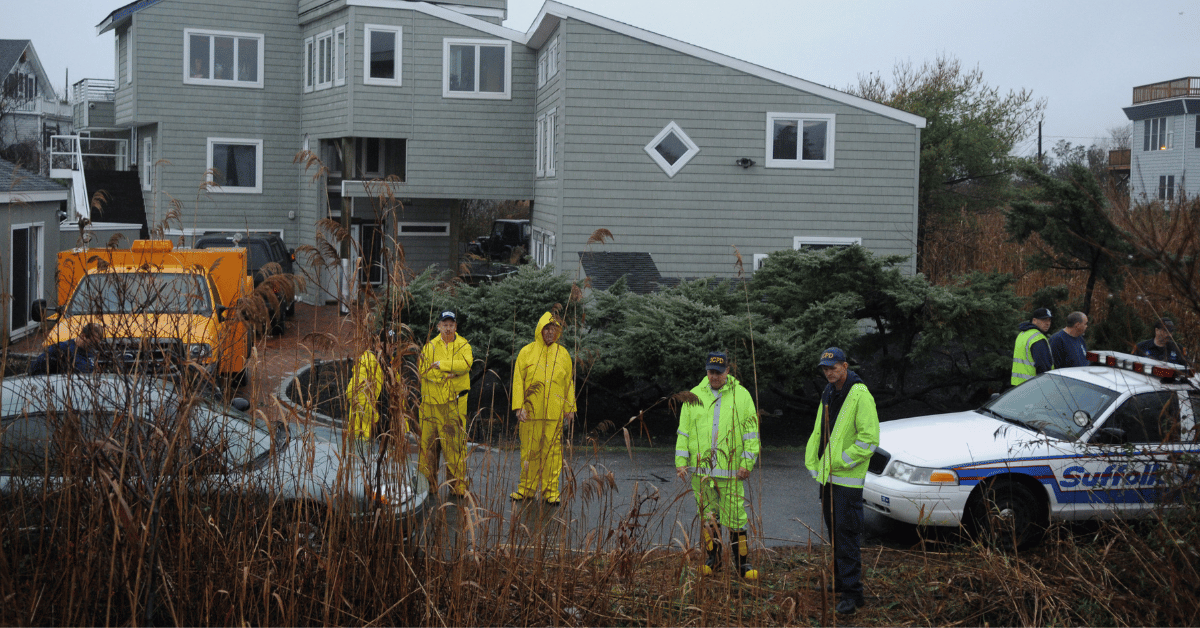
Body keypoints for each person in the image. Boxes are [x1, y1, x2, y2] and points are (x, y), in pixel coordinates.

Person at [805, 347, 879, 615]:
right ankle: (840, 583)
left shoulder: (860, 395)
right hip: (829, 478)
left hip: (846, 481)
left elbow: (868, 441)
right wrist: (819, 462)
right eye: (825, 368)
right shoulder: (830, 391)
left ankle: (852, 593)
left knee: (846, 536)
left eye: (833, 367)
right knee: (836, 534)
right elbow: (822, 431)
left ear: (845, 366)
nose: (828, 372)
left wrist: (839, 462)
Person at [674, 352, 760, 580]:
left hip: (732, 471)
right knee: (708, 517)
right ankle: (713, 561)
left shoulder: (742, 396)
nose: (714, 377)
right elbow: (684, 431)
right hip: (700, 473)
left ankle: (742, 563)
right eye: (711, 372)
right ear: (706, 371)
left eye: (719, 373)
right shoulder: (693, 396)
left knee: (736, 518)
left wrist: (747, 462)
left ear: (728, 372)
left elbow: (752, 433)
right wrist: (681, 462)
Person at [510, 312, 576, 505]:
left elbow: (568, 383)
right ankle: (526, 489)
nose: (550, 332)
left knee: (553, 453)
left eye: (553, 329)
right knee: (529, 451)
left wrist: (569, 407)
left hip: (554, 413)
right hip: (531, 412)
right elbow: (517, 382)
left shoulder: (563, 354)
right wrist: (519, 407)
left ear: (557, 331)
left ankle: (551, 491)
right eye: (546, 328)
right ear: (540, 330)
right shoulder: (526, 352)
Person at [417, 311, 473, 497]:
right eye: (444, 324)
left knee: (455, 446)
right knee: (429, 447)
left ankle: (457, 487)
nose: (448, 327)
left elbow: (466, 364)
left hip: (454, 405)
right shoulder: (430, 346)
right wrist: (451, 373)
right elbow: (423, 369)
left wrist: (441, 364)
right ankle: (427, 486)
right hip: (431, 406)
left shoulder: (463, 344)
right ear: (439, 326)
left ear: (456, 326)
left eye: (451, 324)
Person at [346, 333, 384, 441]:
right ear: (379, 344)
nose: (393, 348)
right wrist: (373, 415)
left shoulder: (376, 359)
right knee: (359, 440)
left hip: (364, 409)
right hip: (364, 417)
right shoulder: (369, 360)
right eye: (390, 344)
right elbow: (355, 391)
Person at [28, 323, 105, 375]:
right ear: (83, 336)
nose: (94, 346)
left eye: (97, 344)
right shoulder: (62, 349)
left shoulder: (92, 353)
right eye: (92, 343)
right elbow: (38, 366)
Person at [1011, 307, 1054, 386]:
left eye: (1049, 320)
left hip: (1017, 386)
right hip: (1034, 386)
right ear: (1034, 320)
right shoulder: (1037, 338)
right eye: (1044, 320)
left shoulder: (1022, 334)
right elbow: (1043, 366)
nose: (1048, 323)